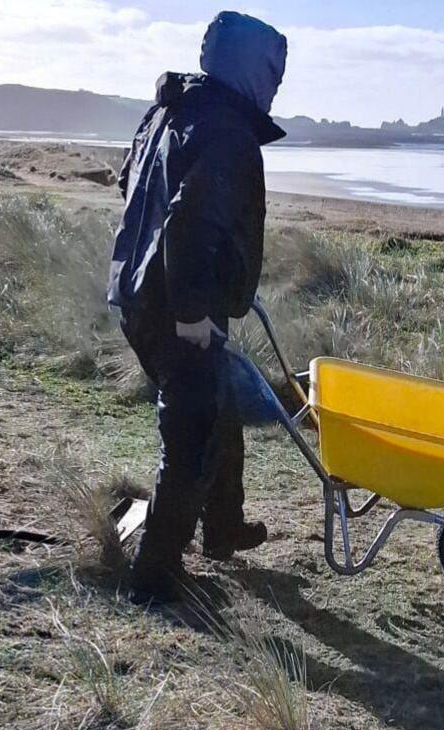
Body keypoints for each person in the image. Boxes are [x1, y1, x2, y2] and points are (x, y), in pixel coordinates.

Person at [108, 11, 288, 600]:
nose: (277, 87)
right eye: (274, 75)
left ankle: (224, 527)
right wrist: (191, 312)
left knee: (221, 400)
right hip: (173, 304)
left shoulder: (172, 111)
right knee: (190, 433)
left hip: (136, 289)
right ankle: (156, 577)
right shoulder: (228, 137)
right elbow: (187, 225)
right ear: (253, 72)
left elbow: (132, 184)